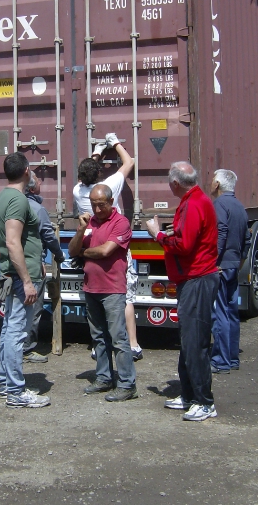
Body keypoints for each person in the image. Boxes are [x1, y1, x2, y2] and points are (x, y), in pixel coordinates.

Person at [146, 162, 219, 422]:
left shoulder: (194, 203)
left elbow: (185, 245)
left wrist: (158, 235)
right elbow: (188, 236)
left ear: (175, 183)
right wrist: (170, 232)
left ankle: (204, 402)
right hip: (193, 278)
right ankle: (189, 395)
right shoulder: (194, 201)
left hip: (197, 279)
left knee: (195, 341)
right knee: (188, 339)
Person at [73, 133, 143, 361]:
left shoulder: (77, 190)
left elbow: (87, 173)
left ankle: (99, 345)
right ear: (99, 174)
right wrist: (115, 143)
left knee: (96, 298)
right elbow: (129, 162)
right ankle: (132, 344)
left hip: (90, 246)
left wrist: (97, 151)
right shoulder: (108, 186)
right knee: (125, 296)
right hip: (112, 244)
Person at [0, 153, 50, 408]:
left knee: (8, 330)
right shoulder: (17, 199)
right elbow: (13, 242)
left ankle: (6, 383)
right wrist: (27, 280)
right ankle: (15, 391)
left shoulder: (3, 196)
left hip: (13, 273)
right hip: (19, 277)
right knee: (16, 333)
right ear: (26, 170)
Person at [68, 184, 137, 402]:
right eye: (94, 205)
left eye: (101, 205)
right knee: (98, 337)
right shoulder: (89, 223)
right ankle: (104, 377)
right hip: (91, 288)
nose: (97, 210)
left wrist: (83, 252)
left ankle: (127, 384)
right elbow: (71, 250)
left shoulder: (121, 223)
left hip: (112, 289)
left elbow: (106, 250)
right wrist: (81, 230)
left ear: (111, 201)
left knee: (118, 338)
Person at [210, 169, 250, 374]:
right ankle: (232, 358)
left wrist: (214, 261)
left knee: (220, 313)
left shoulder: (219, 204)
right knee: (232, 312)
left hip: (221, 266)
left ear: (217, 184)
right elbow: (246, 239)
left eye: (212, 180)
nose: (210, 183)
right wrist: (239, 262)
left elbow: (221, 232)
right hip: (233, 265)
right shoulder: (239, 206)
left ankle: (221, 360)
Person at [23, 171, 65, 364]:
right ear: (32, 188)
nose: (41, 182)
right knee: (33, 308)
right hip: (33, 266)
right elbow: (48, 235)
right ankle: (26, 348)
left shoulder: (13, 205)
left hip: (16, 264)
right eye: (38, 180)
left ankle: (16, 347)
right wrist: (59, 253)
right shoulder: (37, 209)